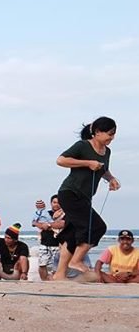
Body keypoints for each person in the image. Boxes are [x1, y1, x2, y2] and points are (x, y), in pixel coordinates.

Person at [53, 117, 122, 280]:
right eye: (109, 134)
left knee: (71, 234)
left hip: (85, 197)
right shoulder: (83, 145)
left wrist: (111, 179)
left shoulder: (107, 151)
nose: (112, 138)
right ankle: (76, 261)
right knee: (97, 227)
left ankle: (59, 275)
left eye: (114, 134)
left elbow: (103, 169)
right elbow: (61, 160)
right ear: (97, 132)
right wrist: (87, 163)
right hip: (70, 193)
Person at [32, 195, 65, 281]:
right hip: (44, 243)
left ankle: (54, 282)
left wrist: (48, 225)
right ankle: (44, 282)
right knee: (42, 265)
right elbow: (35, 223)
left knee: (56, 267)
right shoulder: (46, 213)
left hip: (58, 244)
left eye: (59, 203)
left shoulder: (65, 215)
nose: (56, 205)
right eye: (54, 202)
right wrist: (45, 225)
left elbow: (62, 224)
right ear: (51, 203)